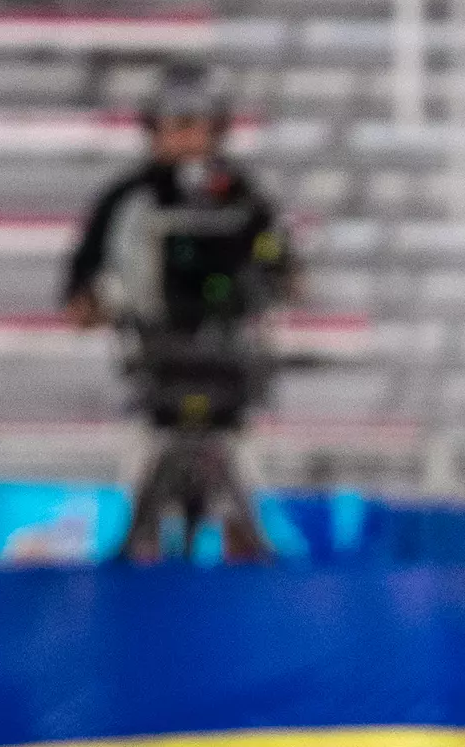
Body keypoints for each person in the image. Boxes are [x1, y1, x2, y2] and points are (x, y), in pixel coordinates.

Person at [63, 66, 295, 562]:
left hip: (229, 381)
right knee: (138, 518)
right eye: (177, 124)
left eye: (199, 124)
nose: (190, 138)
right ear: (155, 130)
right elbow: (79, 297)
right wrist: (109, 302)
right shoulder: (126, 201)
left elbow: (285, 276)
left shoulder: (246, 200)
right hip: (154, 383)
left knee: (245, 521)